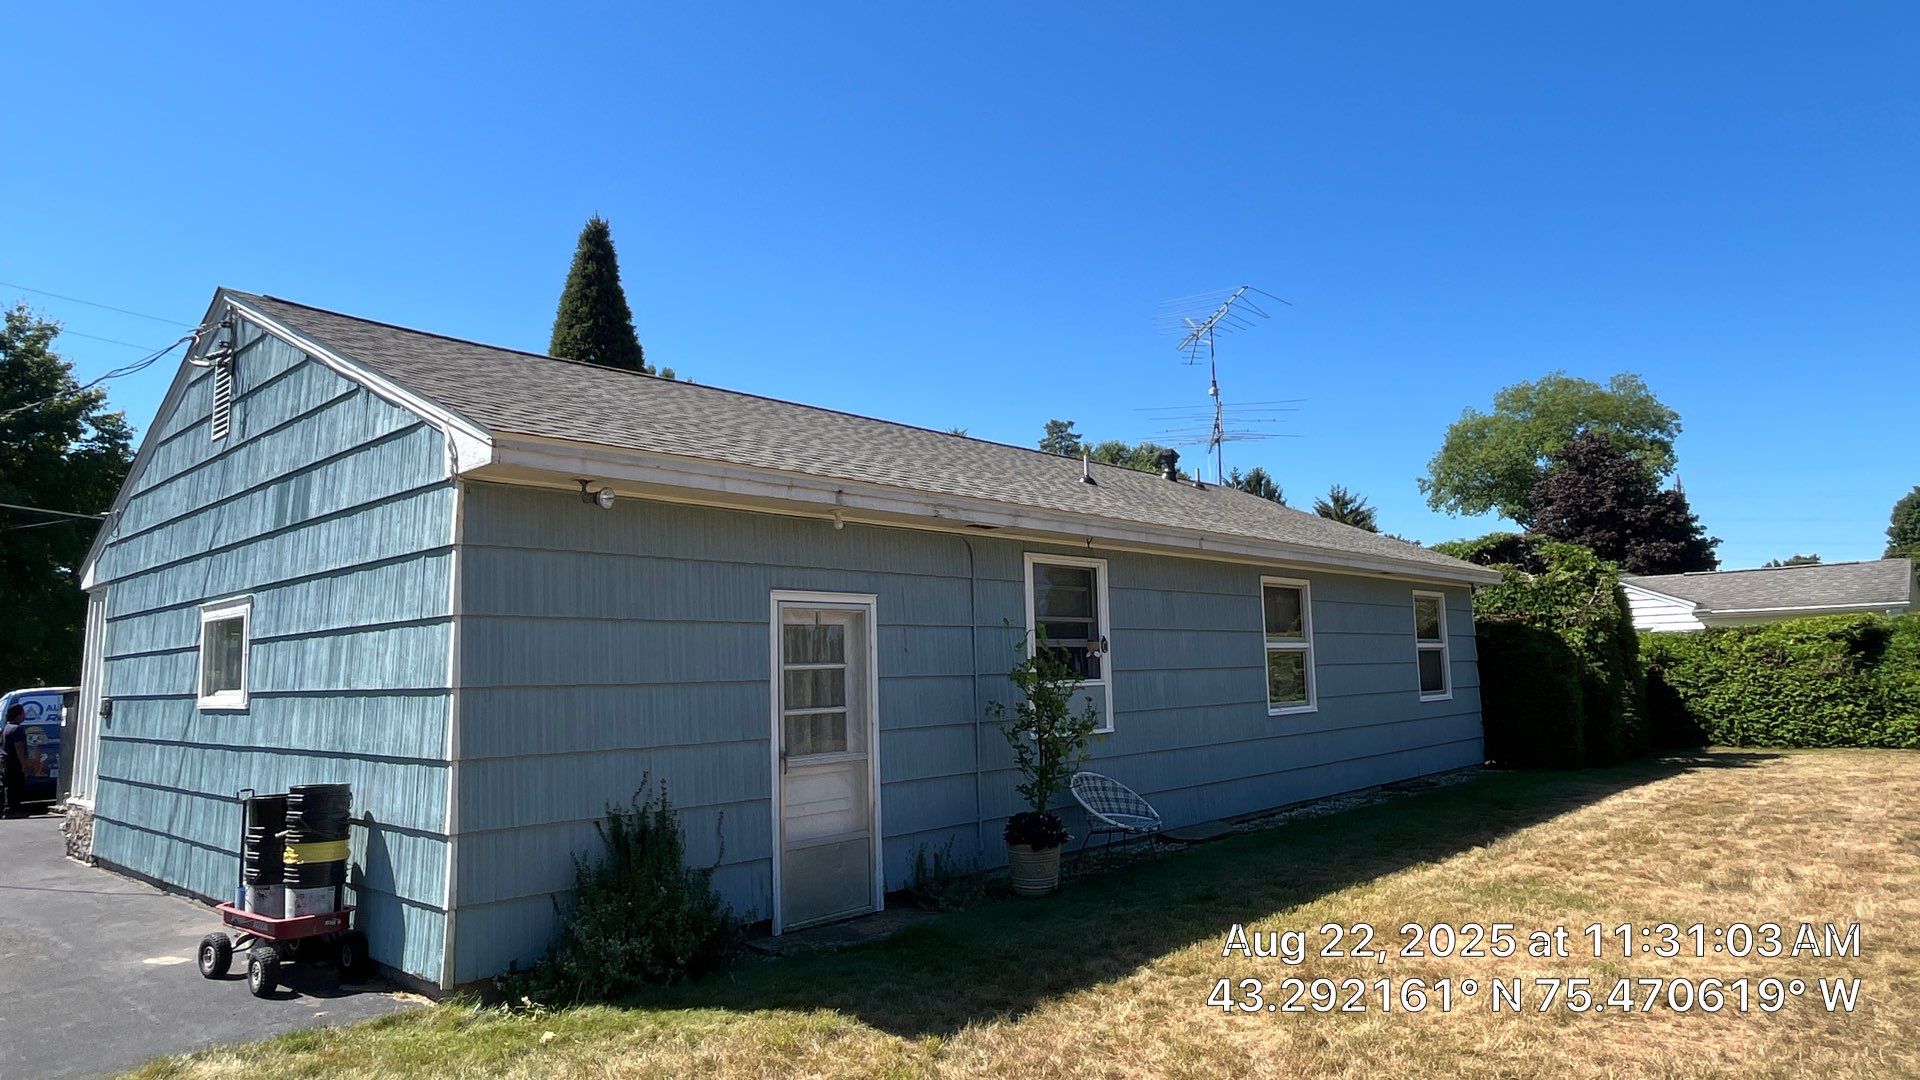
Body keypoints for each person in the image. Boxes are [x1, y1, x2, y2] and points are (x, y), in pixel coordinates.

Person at [1, 704, 26, 818]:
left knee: (8, 786)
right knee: (16, 786)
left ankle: (8, 810)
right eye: (23, 713)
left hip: (6, 762)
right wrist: (23, 764)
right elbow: (19, 748)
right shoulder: (18, 729)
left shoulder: (6, 727)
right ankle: (14, 810)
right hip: (15, 763)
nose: (24, 715)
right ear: (18, 715)